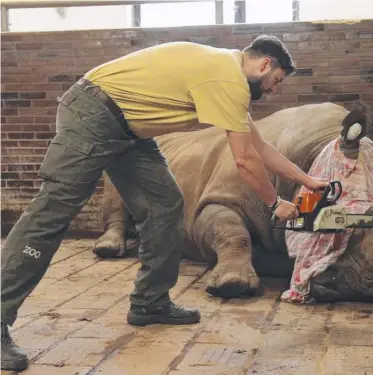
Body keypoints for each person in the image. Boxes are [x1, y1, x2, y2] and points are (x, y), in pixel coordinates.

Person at [1, 35, 328, 371]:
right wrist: (276, 204)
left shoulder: (226, 76)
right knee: (52, 213)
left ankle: (149, 303)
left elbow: (261, 149)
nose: (273, 90)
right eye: (276, 81)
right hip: (93, 113)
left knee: (166, 205)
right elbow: (244, 160)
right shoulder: (227, 78)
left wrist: (306, 180)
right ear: (264, 65)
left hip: (130, 130)